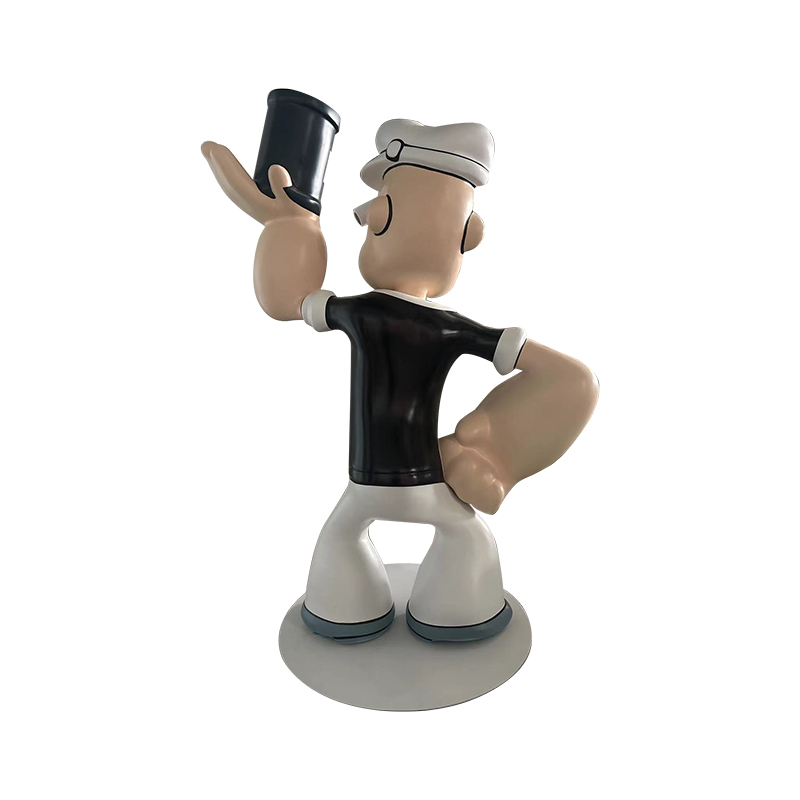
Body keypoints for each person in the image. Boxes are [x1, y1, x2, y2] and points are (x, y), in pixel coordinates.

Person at [201, 118, 599, 643]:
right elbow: (565, 376)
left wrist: (291, 223)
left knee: (339, 541)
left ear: (381, 217)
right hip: (428, 481)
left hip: (364, 481)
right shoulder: (450, 326)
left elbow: (286, 301)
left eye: (376, 208)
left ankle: (343, 612)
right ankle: (460, 613)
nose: (367, 214)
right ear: (467, 235)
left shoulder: (359, 312)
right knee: (466, 537)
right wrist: (504, 445)